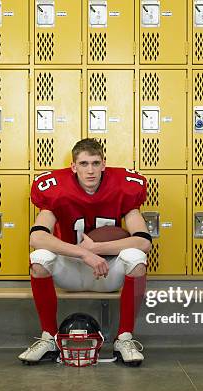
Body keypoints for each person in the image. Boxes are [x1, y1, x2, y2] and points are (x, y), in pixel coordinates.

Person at [18, 138, 152, 366]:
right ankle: (48, 337)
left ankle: (125, 338)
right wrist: (84, 254)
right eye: (83, 164)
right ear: (73, 166)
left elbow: (143, 241)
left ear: (104, 165)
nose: (90, 170)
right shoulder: (57, 190)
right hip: (71, 271)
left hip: (107, 272)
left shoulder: (122, 188)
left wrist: (97, 249)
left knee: (137, 259)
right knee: (39, 259)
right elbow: (36, 237)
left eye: (95, 163)